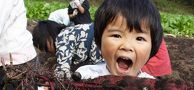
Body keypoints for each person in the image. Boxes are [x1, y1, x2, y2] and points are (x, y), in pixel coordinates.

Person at [32, 20, 172, 79]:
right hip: (116, 53)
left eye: (44, 47)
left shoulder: (62, 38)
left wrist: (46, 87)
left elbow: (62, 71)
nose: (47, 51)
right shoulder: (71, 32)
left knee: (137, 80)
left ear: (48, 37)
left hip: (112, 52)